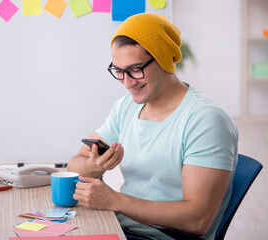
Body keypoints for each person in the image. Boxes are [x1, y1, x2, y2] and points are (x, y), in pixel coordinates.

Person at [67, 13, 238, 240]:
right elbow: (75, 164)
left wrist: (115, 200)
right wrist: (95, 166)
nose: (127, 82)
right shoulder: (127, 107)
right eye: (118, 71)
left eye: (135, 69)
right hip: (120, 228)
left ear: (164, 60)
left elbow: (197, 220)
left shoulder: (205, 120)